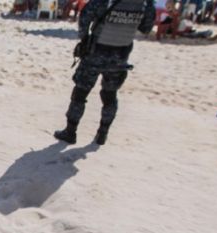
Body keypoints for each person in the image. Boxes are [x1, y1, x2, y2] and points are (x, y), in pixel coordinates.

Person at [54, 0, 155, 145]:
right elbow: (146, 28)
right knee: (109, 95)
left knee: (80, 93)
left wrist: (85, 39)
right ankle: (102, 134)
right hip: (120, 56)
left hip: (95, 53)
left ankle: (70, 132)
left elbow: (85, 16)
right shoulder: (144, 3)